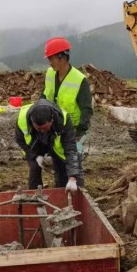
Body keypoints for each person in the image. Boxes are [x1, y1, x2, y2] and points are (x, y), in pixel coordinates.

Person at [41, 37, 93, 183]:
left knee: (73, 166)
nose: (49, 62)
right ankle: (60, 190)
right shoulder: (50, 74)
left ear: (62, 57)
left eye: (51, 58)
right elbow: (45, 96)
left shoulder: (79, 80)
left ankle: (78, 194)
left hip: (74, 130)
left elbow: (86, 109)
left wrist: (79, 132)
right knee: (58, 166)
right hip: (55, 128)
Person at [15, 98, 80, 191]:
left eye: (45, 128)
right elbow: (20, 140)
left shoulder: (63, 119)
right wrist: (35, 156)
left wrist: (72, 178)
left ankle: (61, 190)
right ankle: (35, 196)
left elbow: (70, 147)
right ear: (32, 122)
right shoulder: (22, 120)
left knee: (61, 167)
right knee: (34, 168)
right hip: (34, 145)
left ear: (52, 120)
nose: (42, 131)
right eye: (39, 129)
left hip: (54, 142)